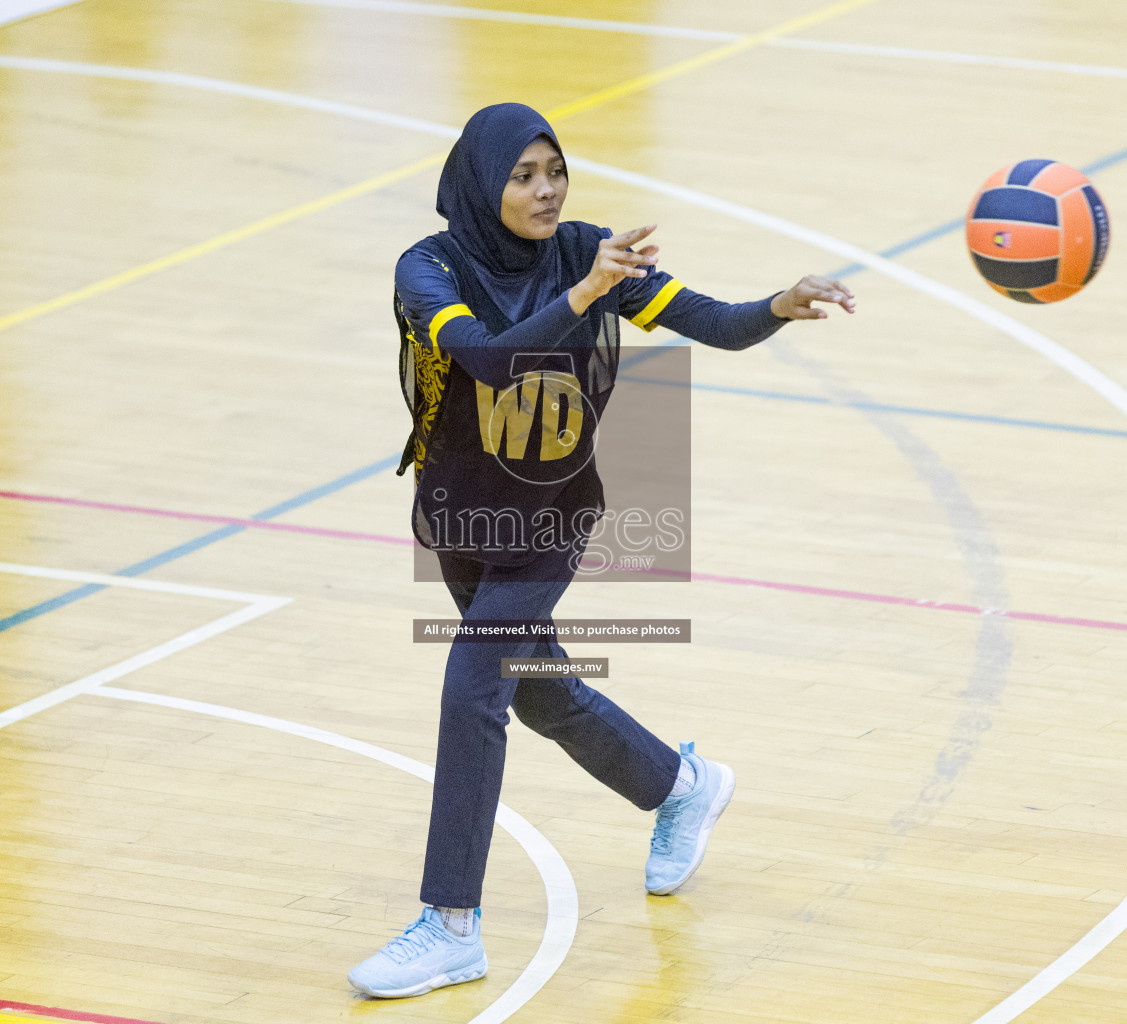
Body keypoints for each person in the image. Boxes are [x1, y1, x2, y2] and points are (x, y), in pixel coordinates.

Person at [348, 103, 855, 999]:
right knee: (540, 693)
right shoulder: (426, 269)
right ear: (480, 181)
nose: (547, 190)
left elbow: (715, 321)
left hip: (550, 520)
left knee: (473, 686)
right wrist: (582, 292)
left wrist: (777, 305)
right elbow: (487, 358)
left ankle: (451, 925)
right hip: (461, 515)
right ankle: (680, 785)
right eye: (523, 175)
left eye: (556, 171)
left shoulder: (586, 250)